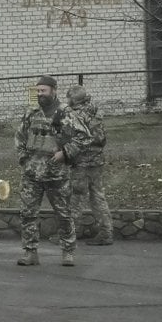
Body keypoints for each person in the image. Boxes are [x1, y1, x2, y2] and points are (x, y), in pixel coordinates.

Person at [15, 75, 91, 267]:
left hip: (56, 174)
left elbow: (84, 137)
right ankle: (30, 252)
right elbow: (20, 136)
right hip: (32, 174)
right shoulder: (31, 112)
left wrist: (65, 153)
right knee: (28, 214)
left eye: (44, 91)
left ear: (54, 91)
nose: (40, 94)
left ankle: (68, 252)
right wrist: (23, 157)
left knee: (63, 214)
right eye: (38, 91)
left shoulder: (65, 113)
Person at [65, 84, 113, 246]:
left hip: (82, 161)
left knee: (76, 197)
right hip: (97, 160)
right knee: (97, 195)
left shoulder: (75, 115)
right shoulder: (95, 110)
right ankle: (106, 232)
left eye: (69, 98)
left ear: (74, 99)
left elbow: (72, 137)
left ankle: (71, 232)